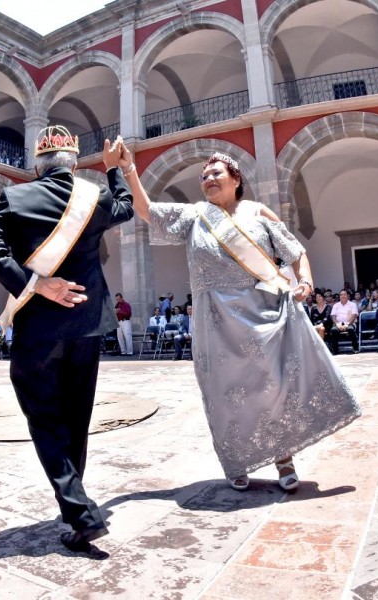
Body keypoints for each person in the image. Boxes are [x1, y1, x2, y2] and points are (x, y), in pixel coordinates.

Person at [116, 139, 360, 494]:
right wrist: (129, 169)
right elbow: (147, 210)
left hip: (263, 314)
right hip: (214, 320)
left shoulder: (259, 213)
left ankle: (284, 460)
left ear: (235, 178)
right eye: (204, 176)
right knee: (224, 391)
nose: (208, 179)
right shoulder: (195, 216)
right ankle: (236, 459)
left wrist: (305, 280)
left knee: (274, 388)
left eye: (216, 172)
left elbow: (295, 251)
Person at [0, 125, 134, 558]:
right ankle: (76, 508)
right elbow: (125, 207)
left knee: (46, 420)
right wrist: (114, 169)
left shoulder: (17, 197)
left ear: (39, 166)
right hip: (87, 324)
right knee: (76, 418)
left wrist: (38, 284)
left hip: (41, 328)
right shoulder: (95, 196)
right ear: (72, 163)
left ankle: (80, 512)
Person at [329, 289, 358, 354]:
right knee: (333, 330)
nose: (343, 296)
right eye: (341, 295)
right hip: (338, 323)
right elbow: (333, 316)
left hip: (350, 323)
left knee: (351, 329)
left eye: (344, 294)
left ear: (347, 296)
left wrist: (347, 324)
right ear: (339, 296)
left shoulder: (352, 304)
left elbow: (354, 315)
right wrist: (337, 324)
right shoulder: (336, 305)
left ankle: (355, 348)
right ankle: (335, 350)